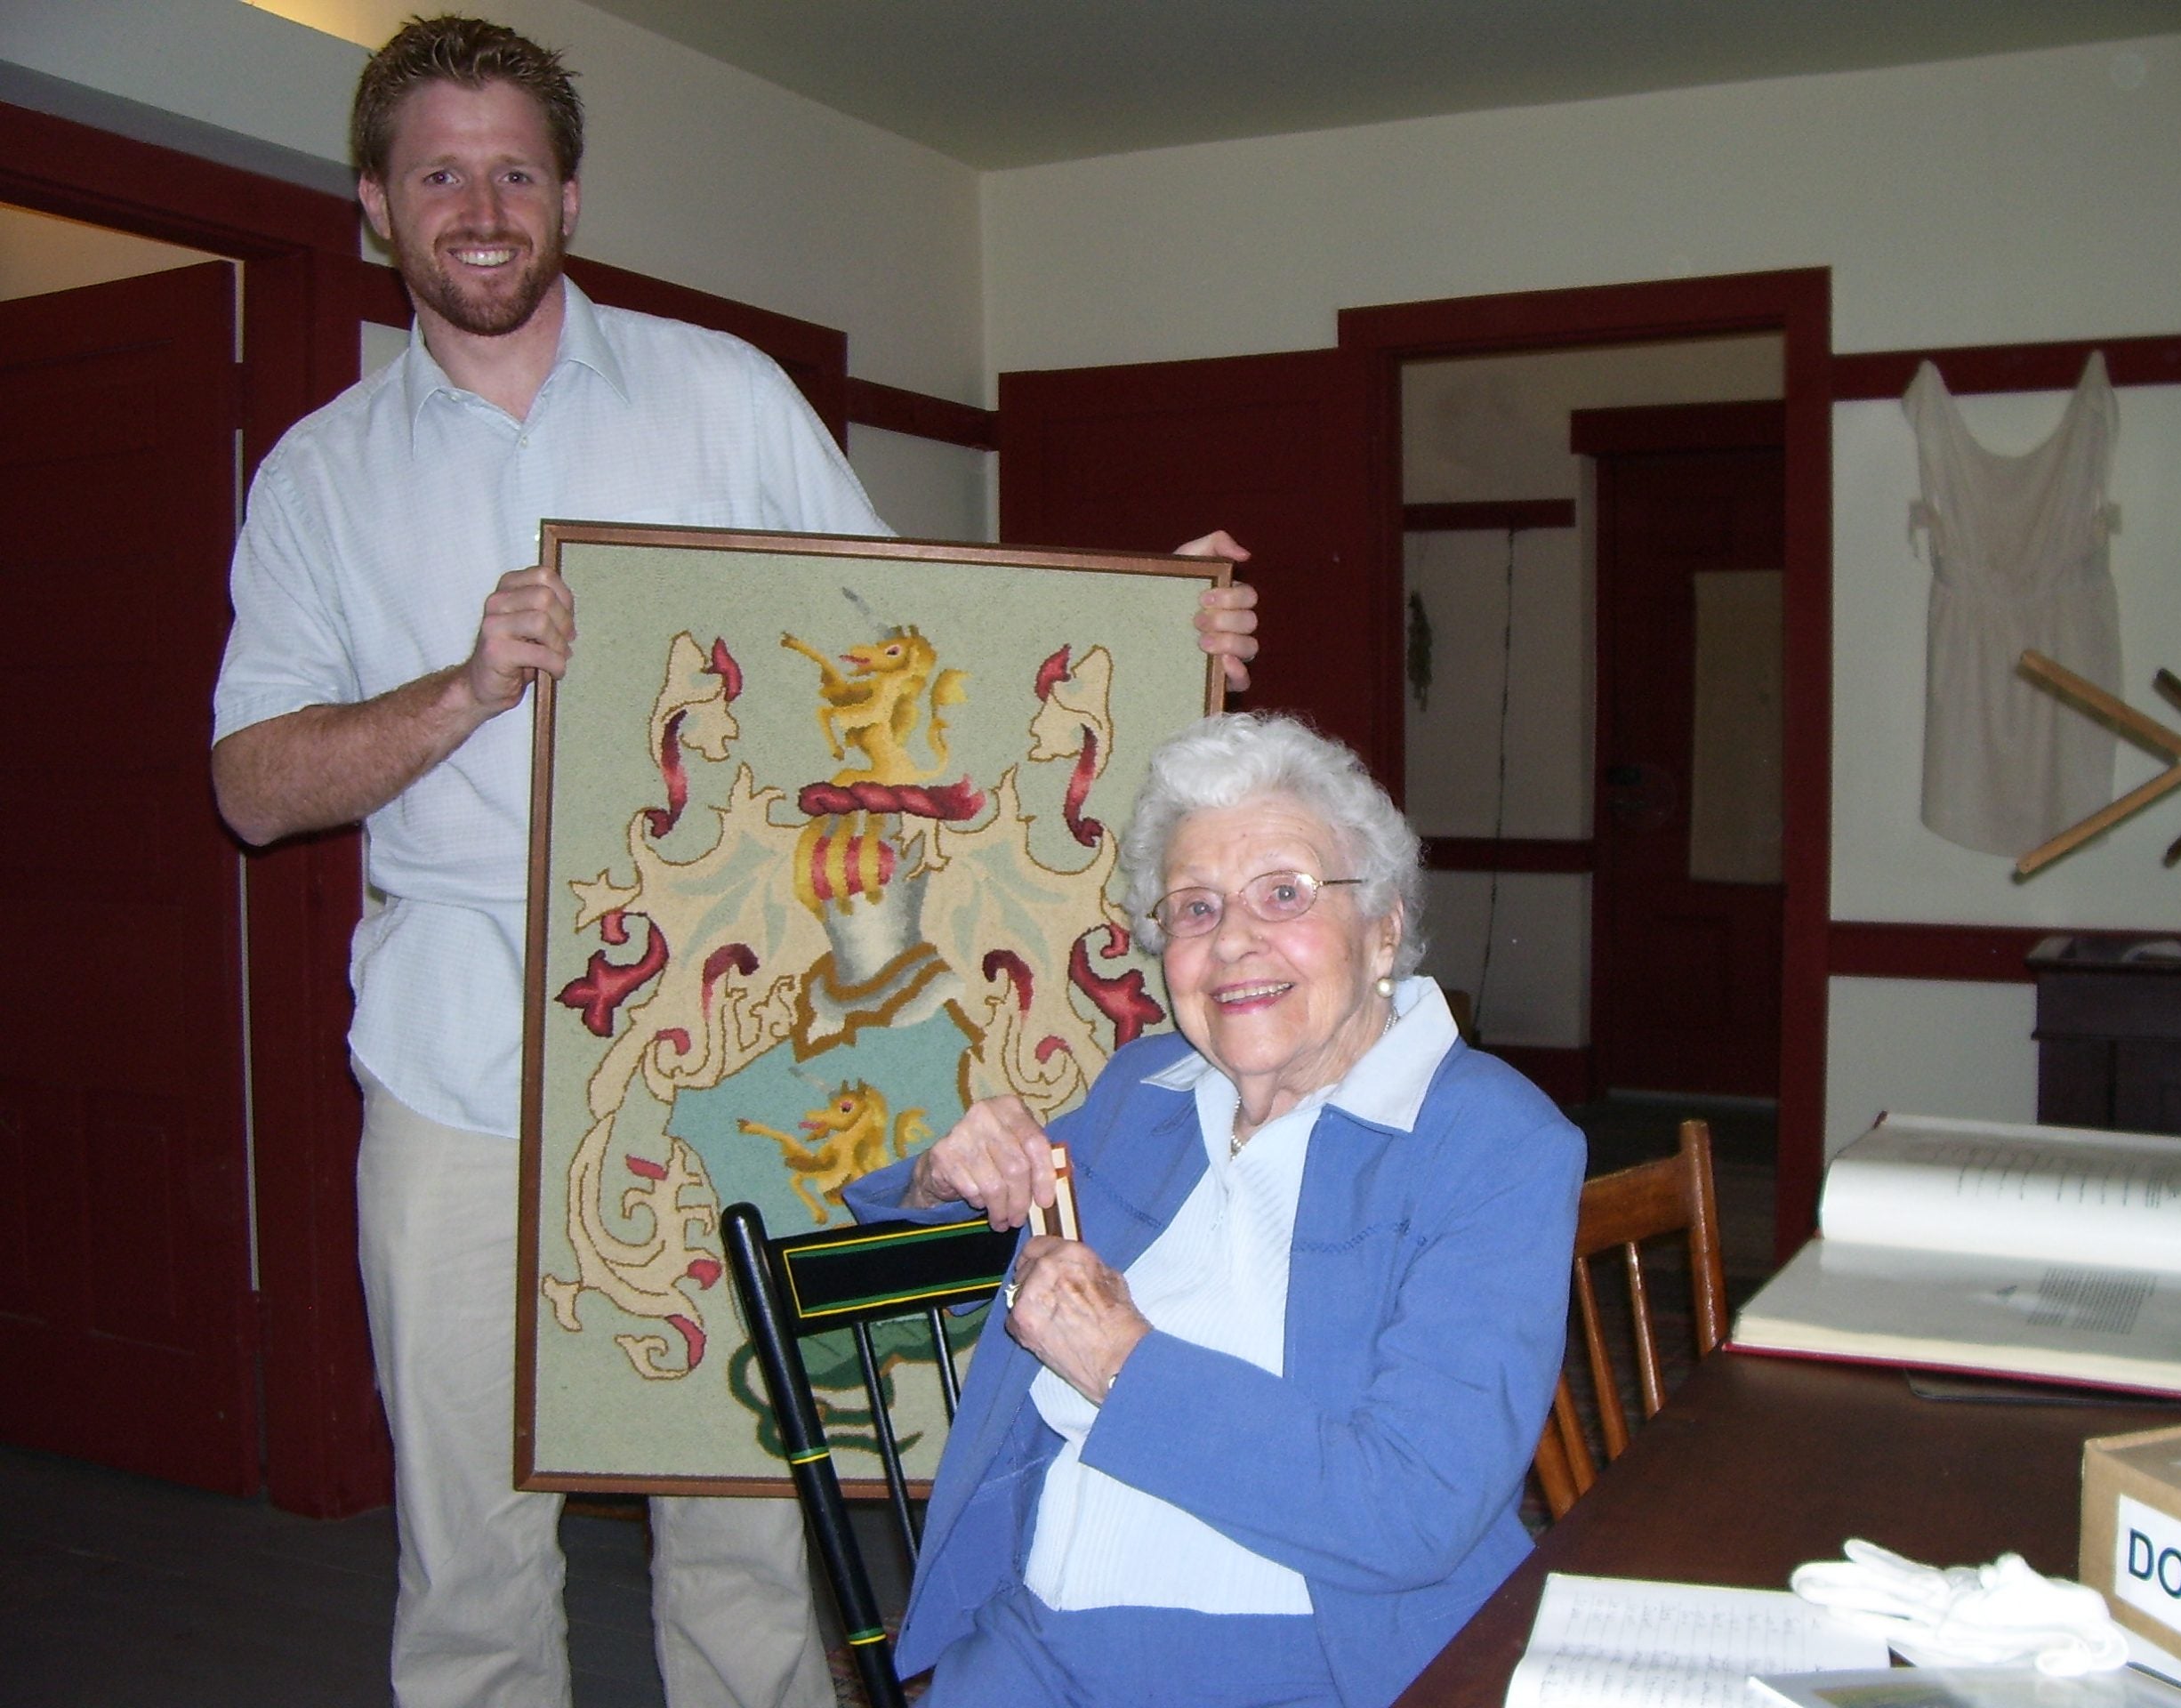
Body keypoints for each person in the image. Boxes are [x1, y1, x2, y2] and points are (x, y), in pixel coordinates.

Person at [207, 16, 1258, 1708]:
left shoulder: (721, 395)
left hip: (740, 1042)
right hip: (456, 1065)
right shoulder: (319, 482)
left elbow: (906, 654)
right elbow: (254, 786)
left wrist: (1146, 624)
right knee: (467, 1549)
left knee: (754, 1526)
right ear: (373, 210)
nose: (482, 207)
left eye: (517, 172)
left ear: (568, 197)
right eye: (440, 175)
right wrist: (467, 690)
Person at [842, 712, 1585, 1708]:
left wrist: (1120, 1362)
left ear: (1385, 927)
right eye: (1193, 909)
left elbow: (1411, 1510)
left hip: (1313, 1672)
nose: (1232, 939)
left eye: (1284, 893)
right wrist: (942, 1180)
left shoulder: (1490, 1142)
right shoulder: (1142, 1094)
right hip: (1026, 1652)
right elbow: (891, 1288)